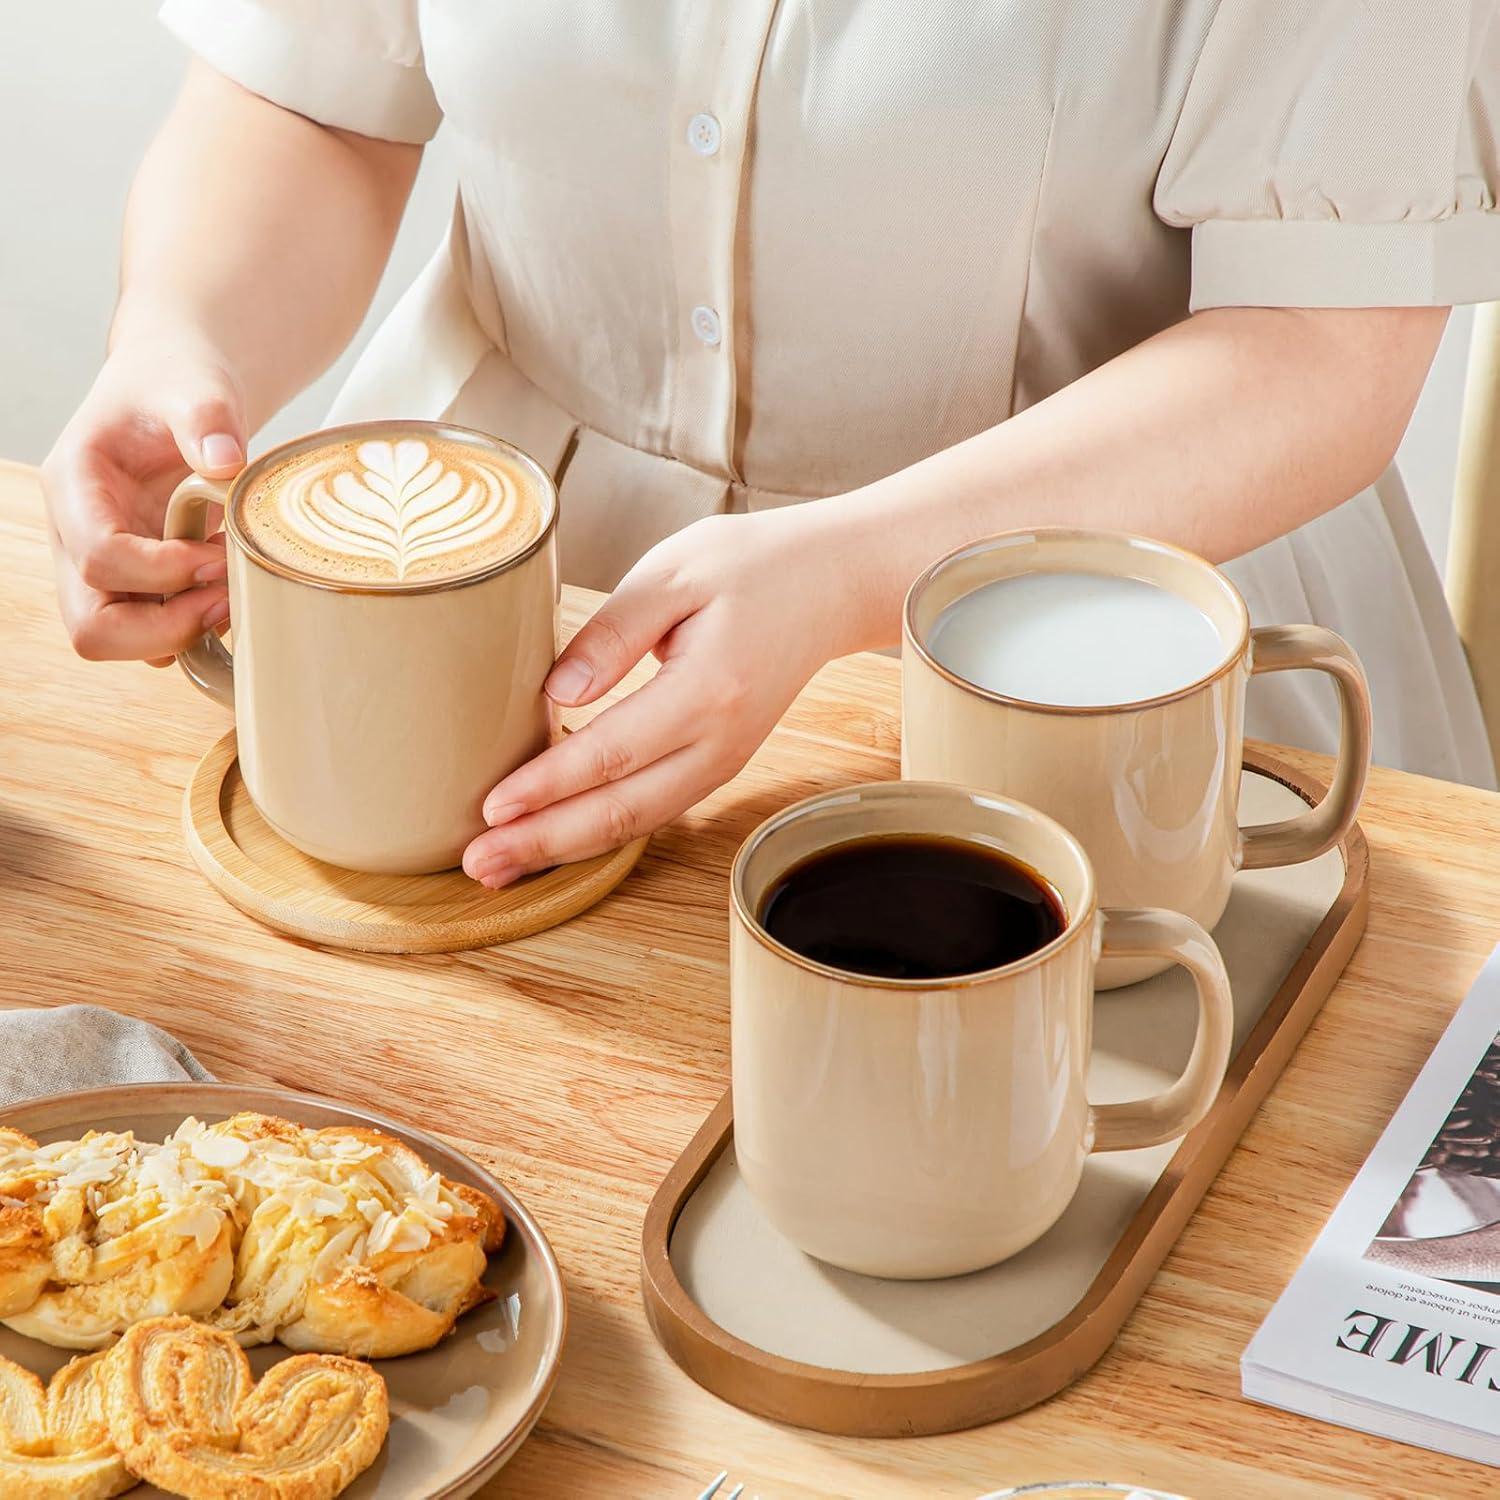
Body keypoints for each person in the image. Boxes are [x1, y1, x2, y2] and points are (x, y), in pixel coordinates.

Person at [43, 2, 1500, 891]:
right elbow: (314, 91)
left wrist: (854, 571)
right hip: (472, 621)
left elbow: (1327, 347)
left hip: (1104, 646)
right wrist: (183, 336)